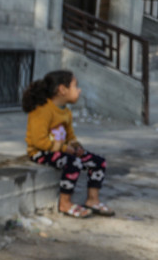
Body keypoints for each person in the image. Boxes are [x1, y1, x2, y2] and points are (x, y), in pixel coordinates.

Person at [22, 70, 113, 218]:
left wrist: (77, 147)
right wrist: (65, 148)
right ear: (62, 90)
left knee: (98, 162)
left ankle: (92, 200)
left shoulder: (66, 112)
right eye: (75, 86)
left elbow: (70, 136)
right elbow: (38, 141)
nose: (79, 90)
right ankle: (65, 203)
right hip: (40, 152)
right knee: (74, 163)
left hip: (61, 151)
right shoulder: (43, 110)